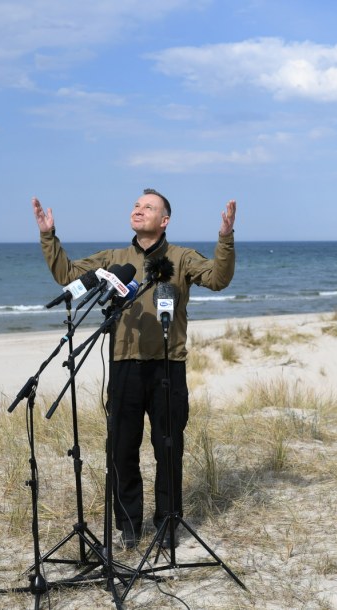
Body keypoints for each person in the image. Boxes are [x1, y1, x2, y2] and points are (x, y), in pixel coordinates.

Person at [32, 189, 236, 549]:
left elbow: (218, 279)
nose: (139, 210)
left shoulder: (182, 257)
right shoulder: (115, 259)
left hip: (167, 366)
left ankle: (167, 523)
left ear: (165, 220)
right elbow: (67, 274)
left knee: (167, 449)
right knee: (122, 449)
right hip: (124, 365)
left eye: (148, 207)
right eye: (137, 206)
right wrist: (49, 235)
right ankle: (128, 526)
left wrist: (225, 237)